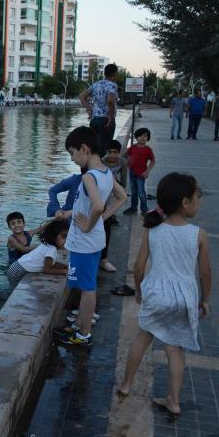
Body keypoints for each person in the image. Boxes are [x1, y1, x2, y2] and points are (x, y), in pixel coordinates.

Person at [117, 173, 212, 415]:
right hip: (185, 298)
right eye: (197, 197)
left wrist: (139, 290)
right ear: (185, 202)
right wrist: (204, 300)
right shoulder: (198, 234)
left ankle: (126, 384)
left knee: (143, 338)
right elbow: (205, 274)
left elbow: (139, 267)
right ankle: (174, 400)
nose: (198, 202)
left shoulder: (154, 229)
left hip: (158, 294)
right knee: (175, 349)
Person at [54, 126, 127, 347]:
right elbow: (121, 197)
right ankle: (79, 325)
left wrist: (88, 226)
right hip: (95, 240)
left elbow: (95, 206)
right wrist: (85, 216)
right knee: (87, 285)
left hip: (85, 242)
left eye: (72, 153)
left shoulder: (88, 177)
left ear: (84, 149)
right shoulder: (105, 172)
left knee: (87, 289)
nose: (73, 159)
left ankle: (83, 334)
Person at [99, 140, 126, 272]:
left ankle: (104, 259)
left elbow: (124, 181)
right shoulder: (101, 162)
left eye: (115, 152)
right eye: (109, 152)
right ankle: (98, 258)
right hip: (101, 196)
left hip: (113, 194)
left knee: (106, 226)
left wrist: (121, 192)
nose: (112, 155)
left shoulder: (122, 162)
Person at [79, 63, 119, 150]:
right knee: (105, 148)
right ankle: (101, 163)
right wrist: (111, 118)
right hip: (106, 120)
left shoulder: (95, 84)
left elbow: (82, 96)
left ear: (105, 73)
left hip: (94, 120)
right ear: (115, 74)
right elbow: (110, 100)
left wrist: (89, 109)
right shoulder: (112, 85)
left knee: (94, 147)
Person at [123, 128, 156, 215]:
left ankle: (144, 210)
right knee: (133, 192)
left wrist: (147, 171)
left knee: (141, 193)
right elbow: (125, 156)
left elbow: (153, 161)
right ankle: (133, 208)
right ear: (136, 137)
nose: (142, 138)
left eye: (145, 136)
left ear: (148, 138)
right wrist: (127, 162)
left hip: (141, 174)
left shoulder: (148, 149)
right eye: (140, 136)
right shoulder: (132, 147)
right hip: (132, 172)